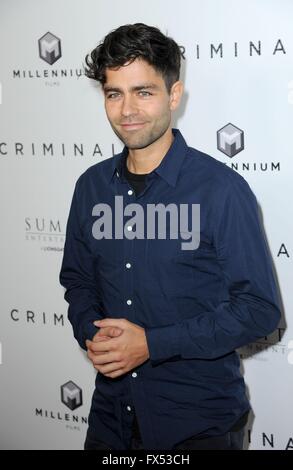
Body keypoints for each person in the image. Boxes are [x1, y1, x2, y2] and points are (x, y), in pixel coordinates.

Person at [59, 23, 281, 450]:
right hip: (111, 419)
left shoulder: (220, 190)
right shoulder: (90, 186)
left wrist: (152, 344)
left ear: (173, 95)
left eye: (143, 92)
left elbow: (258, 309)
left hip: (197, 425)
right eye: (114, 93)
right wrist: (93, 332)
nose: (127, 110)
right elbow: (78, 281)